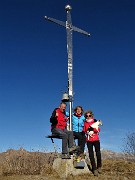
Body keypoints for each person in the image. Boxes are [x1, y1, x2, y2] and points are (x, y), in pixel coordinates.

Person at [83, 110, 102, 176]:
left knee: (98, 153)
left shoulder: (95, 121)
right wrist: (87, 132)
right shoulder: (85, 122)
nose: (88, 117)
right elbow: (85, 130)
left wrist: (92, 130)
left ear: (92, 116)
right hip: (89, 140)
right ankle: (94, 169)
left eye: (89, 115)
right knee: (91, 155)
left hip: (96, 139)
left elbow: (98, 130)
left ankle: (99, 166)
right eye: (87, 116)